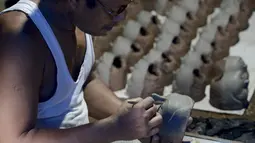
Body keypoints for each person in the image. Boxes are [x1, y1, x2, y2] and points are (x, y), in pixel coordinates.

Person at [0, 0, 163, 142]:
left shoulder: (78, 20)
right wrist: (114, 128)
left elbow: (81, 84)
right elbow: (11, 140)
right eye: (115, 10)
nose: (122, 18)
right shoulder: (20, 40)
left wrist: (129, 116)